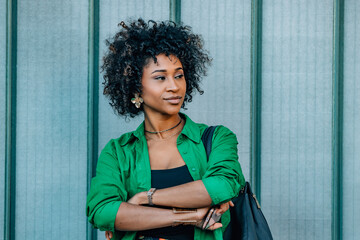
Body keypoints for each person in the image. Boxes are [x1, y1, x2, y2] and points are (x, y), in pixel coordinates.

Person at [86, 19, 245, 240]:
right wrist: (188, 216)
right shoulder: (118, 152)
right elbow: (102, 211)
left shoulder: (217, 138)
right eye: (160, 77)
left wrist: (146, 198)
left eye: (178, 75)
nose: (174, 86)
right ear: (136, 89)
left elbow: (221, 186)